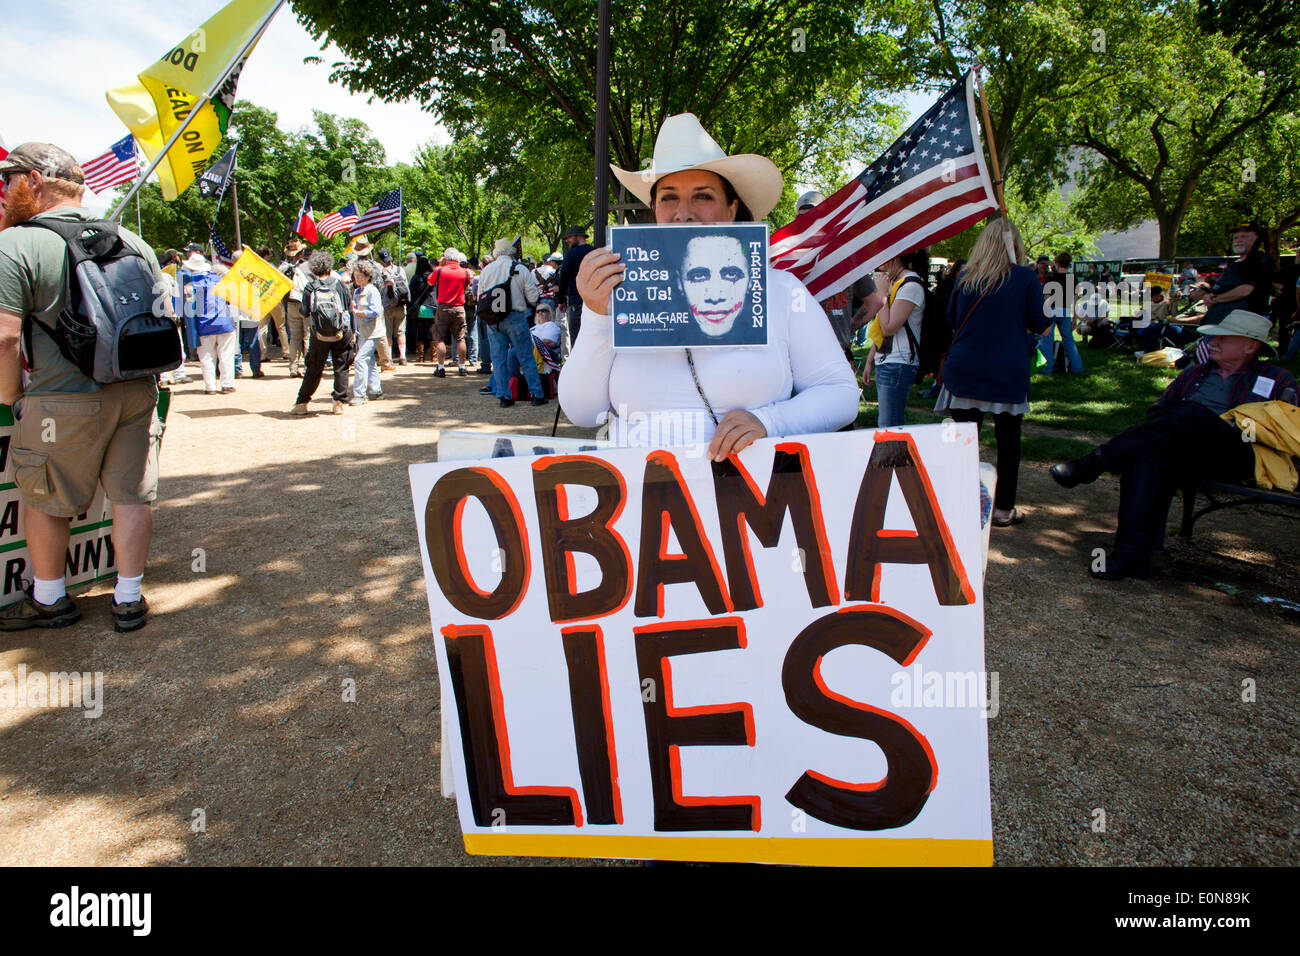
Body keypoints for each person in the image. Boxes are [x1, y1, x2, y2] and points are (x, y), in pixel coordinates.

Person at [560, 113, 859, 454]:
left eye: (703, 196)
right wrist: (597, 315)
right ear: (654, 210)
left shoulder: (781, 290)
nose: (682, 212)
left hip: (747, 495)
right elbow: (582, 411)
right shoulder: (620, 295)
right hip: (641, 495)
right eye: (668, 197)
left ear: (732, 209)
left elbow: (840, 392)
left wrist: (770, 422)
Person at [0, 142, 161, 631]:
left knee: (47, 497)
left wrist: (10, 398)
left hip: (61, 398)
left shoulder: (16, 244)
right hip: (135, 391)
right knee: (132, 495)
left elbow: (6, 336)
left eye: (9, 181)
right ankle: (128, 597)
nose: (5, 192)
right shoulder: (134, 241)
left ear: (33, 181)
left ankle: (50, 598)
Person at [1051, 310, 1297, 580]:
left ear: (1250, 346)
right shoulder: (1196, 373)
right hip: (1187, 453)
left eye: (1221, 339)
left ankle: (1093, 463)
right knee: (1147, 457)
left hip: (1241, 450)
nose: (1211, 343)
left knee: (1190, 412)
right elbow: (1158, 414)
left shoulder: (1277, 379)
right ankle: (1131, 557)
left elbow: (1287, 433)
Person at [935, 218, 1049, 527]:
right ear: (1016, 245)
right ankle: (1002, 508)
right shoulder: (1025, 278)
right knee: (1009, 441)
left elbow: (953, 319)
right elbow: (1043, 324)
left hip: (966, 367)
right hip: (1005, 368)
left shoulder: (965, 277)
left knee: (963, 440)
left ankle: (960, 502)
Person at [794, 189, 883, 368]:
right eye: (804, 218)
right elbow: (875, 302)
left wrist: (846, 328)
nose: (809, 223)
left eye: (814, 216)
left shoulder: (842, 258)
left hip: (832, 355)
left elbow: (875, 302)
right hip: (802, 356)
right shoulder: (791, 258)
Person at [479, 237, 544, 407]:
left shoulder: (487, 270)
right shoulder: (520, 269)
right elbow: (533, 296)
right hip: (515, 317)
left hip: (494, 318)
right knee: (526, 357)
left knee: (498, 358)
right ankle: (536, 394)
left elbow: (479, 295)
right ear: (511, 252)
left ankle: (504, 396)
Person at [292, 251, 354, 416]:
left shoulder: (311, 287)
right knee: (341, 366)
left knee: (314, 367)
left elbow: (304, 311)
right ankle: (338, 402)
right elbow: (349, 308)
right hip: (341, 331)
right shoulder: (339, 284)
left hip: (318, 334)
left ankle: (302, 402)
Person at [872, 248, 928, 427]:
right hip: (887, 359)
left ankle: (894, 456)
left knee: (890, 427)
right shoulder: (895, 281)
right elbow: (881, 324)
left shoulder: (910, 285)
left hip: (899, 362)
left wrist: (881, 295)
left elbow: (888, 327)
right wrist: (870, 357)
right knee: (887, 424)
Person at [1038, 251, 1084, 373]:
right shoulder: (1073, 278)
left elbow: (1047, 296)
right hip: (1065, 311)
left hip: (1052, 310)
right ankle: (1077, 367)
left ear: (1057, 263)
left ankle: (1047, 368)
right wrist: (1075, 317)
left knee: (1047, 340)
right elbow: (1075, 298)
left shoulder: (1051, 277)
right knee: (1068, 340)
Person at [430, 247, 472, 377]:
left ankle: (441, 367)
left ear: (446, 258)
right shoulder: (465, 272)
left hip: (443, 307)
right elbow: (465, 286)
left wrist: (440, 265)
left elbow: (430, 281)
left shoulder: (440, 270)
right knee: (460, 338)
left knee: (440, 338)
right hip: (459, 307)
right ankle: (462, 366)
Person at [349, 258, 384, 405]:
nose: (357, 278)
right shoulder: (358, 291)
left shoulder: (372, 290)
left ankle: (360, 394)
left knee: (360, 359)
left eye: (360, 276)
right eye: (355, 275)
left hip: (373, 332)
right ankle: (376, 391)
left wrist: (359, 313)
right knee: (369, 361)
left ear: (368, 276)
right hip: (363, 332)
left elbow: (376, 311)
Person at [280, 238, 313, 377]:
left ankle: (293, 367)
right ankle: (307, 366)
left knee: (294, 337)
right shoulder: (308, 267)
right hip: (305, 303)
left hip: (291, 304)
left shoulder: (282, 267)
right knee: (307, 336)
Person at [555, 225, 593, 346]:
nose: (567, 241)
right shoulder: (595, 251)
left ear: (578, 237)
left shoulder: (570, 254)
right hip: (595, 303)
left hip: (577, 302)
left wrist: (561, 301)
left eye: (569, 238)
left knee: (577, 337)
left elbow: (564, 278)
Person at [376, 248, 409, 366]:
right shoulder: (400, 270)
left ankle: (389, 358)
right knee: (401, 332)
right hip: (401, 304)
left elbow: (379, 288)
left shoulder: (381, 272)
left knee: (388, 332)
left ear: (381, 260)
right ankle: (403, 357)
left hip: (387, 305)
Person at [406, 253, 435, 363]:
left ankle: (421, 357)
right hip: (432, 307)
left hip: (420, 308)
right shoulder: (432, 276)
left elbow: (411, 292)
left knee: (420, 332)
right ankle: (433, 356)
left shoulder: (416, 277)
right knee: (432, 332)